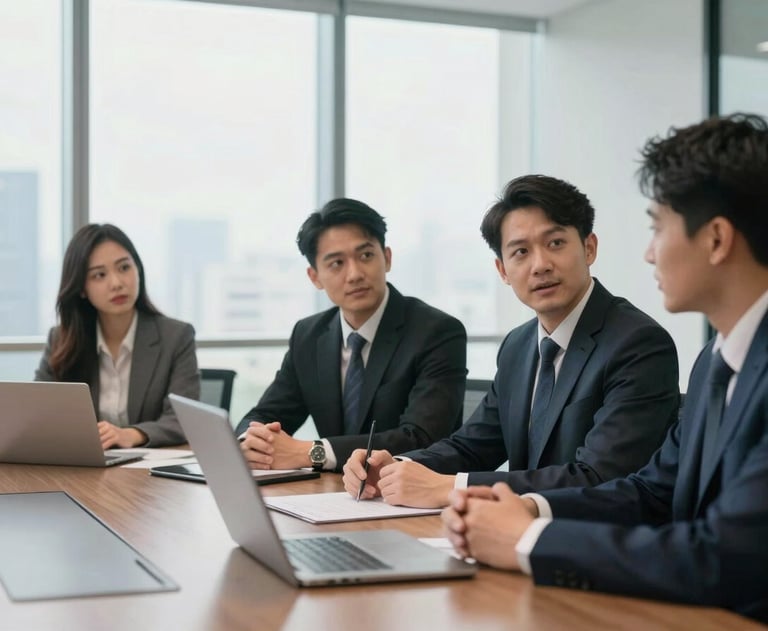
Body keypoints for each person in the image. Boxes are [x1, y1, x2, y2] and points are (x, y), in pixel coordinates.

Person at [441, 113, 768, 623]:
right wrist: (529, 510)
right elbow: (651, 491)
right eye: (521, 252)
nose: (648, 252)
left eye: (658, 227)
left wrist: (528, 539)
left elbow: (723, 557)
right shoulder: (715, 363)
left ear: (717, 238)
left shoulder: (648, 344)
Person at [342, 174, 679, 507]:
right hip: (514, 535)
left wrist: (452, 488)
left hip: (595, 545)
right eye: (520, 252)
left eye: (556, 243)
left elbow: (600, 477)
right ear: (502, 271)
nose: (540, 265)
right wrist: (394, 467)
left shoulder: (638, 344)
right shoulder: (518, 346)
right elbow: (472, 446)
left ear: (589, 248)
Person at [235, 198, 467, 472]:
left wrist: (313, 452)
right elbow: (265, 415)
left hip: (409, 498)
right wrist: (251, 442)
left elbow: (421, 437)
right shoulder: (309, 336)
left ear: (387, 258)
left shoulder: (436, 332)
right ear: (315, 277)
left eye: (366, 256)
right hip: (334, 495)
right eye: (336, 264)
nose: (355, 274)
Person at [36, 223, 200, 448]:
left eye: (124, 268)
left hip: (148, 477)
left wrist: (131, 435)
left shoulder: (176, 337)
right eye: (99, 275)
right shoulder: (61, 340)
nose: (116, 283)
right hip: (83, 470)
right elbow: (38, 414)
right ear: (81, 289)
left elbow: (183, 420)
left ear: (138, 270)